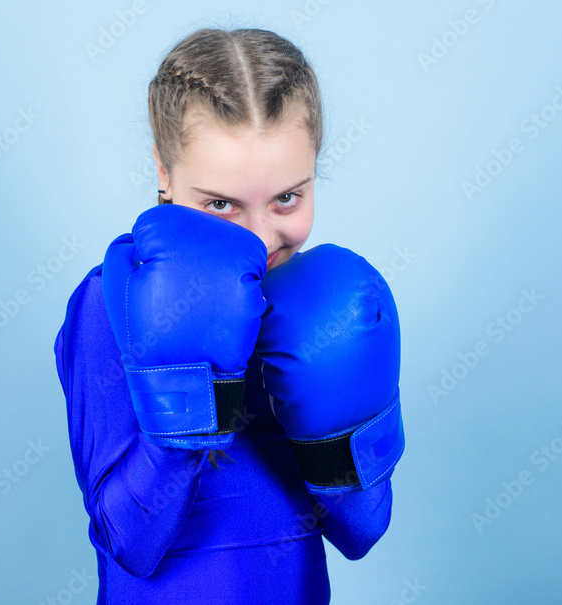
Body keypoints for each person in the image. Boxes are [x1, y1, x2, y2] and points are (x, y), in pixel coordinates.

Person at [53, 27, 404, 604]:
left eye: (287, 197)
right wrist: (189, 406)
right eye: (221, 204)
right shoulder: (109, 305)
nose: (261, 238)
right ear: (164, 174)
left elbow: (362, 532)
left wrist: (337, 442)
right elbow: (129, 542)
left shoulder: (331, 310)